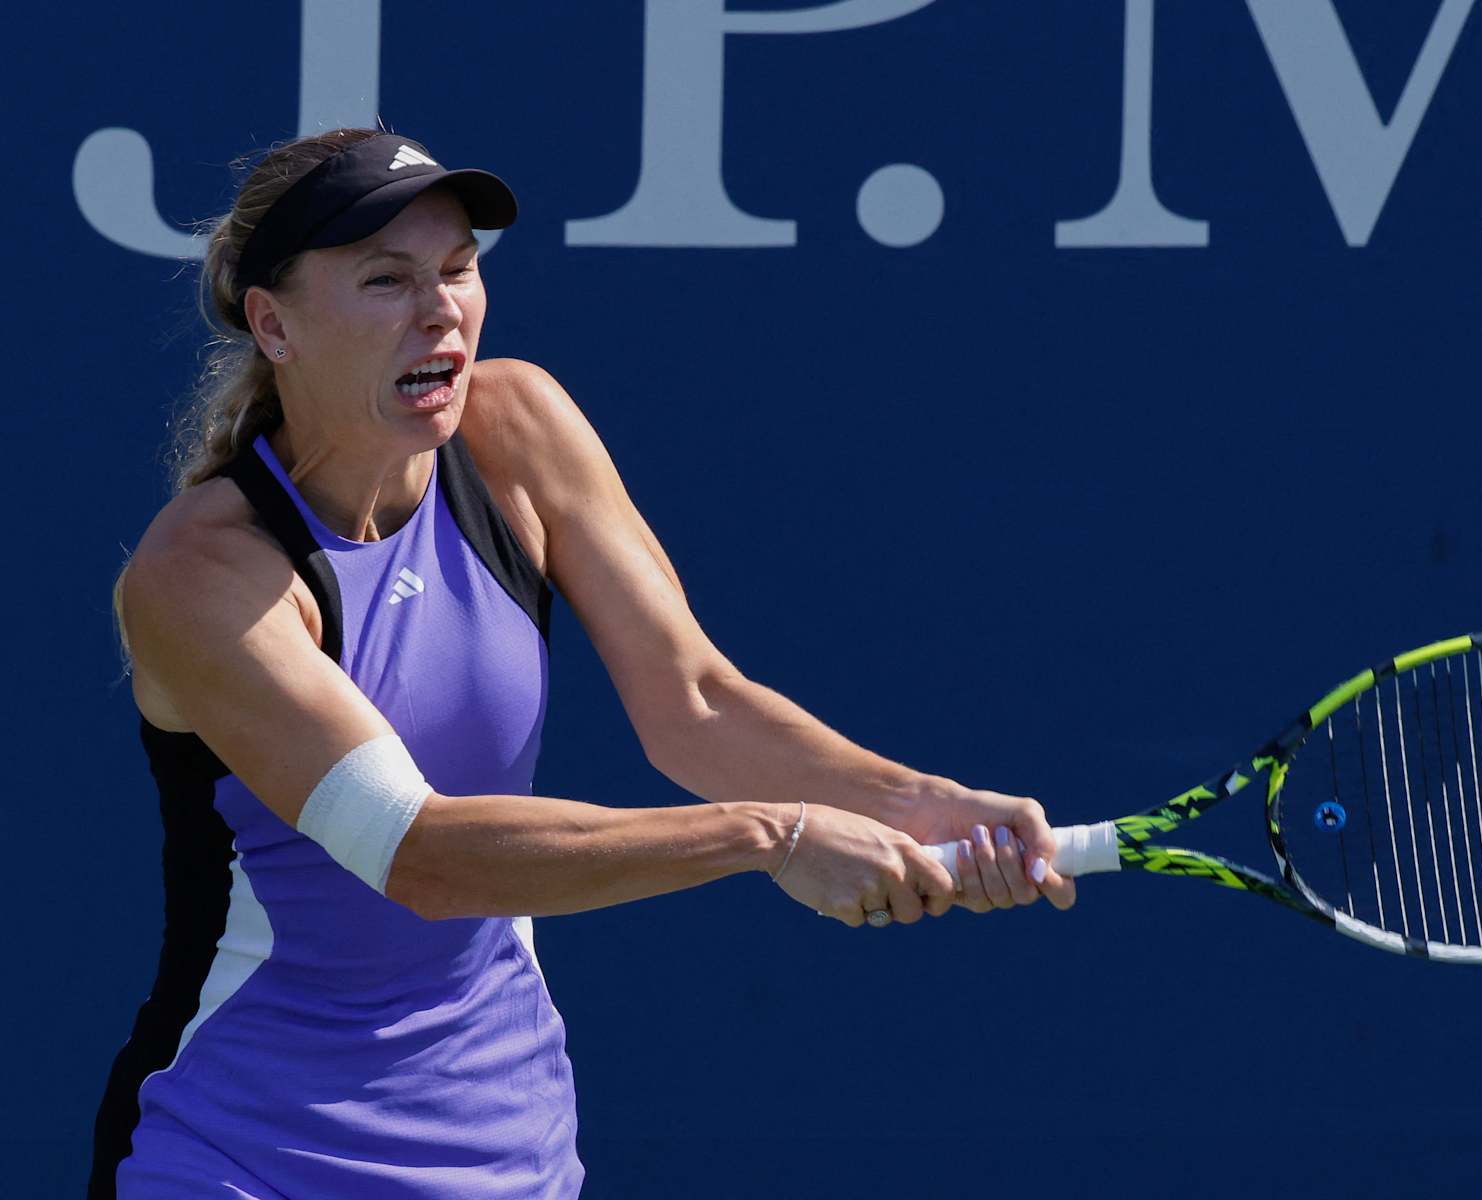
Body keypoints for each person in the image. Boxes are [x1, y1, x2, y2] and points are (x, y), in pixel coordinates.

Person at [90, 128, 1075, 1198]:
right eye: (387, 280)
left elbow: (694, 704)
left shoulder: (516, 428)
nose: (442, 310)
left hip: (513, 1157)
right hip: (238, 1163)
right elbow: (420, 855)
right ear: (272, 325)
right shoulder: (204, 575)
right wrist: (771, 835)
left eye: (459, 268)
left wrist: (921, 803)